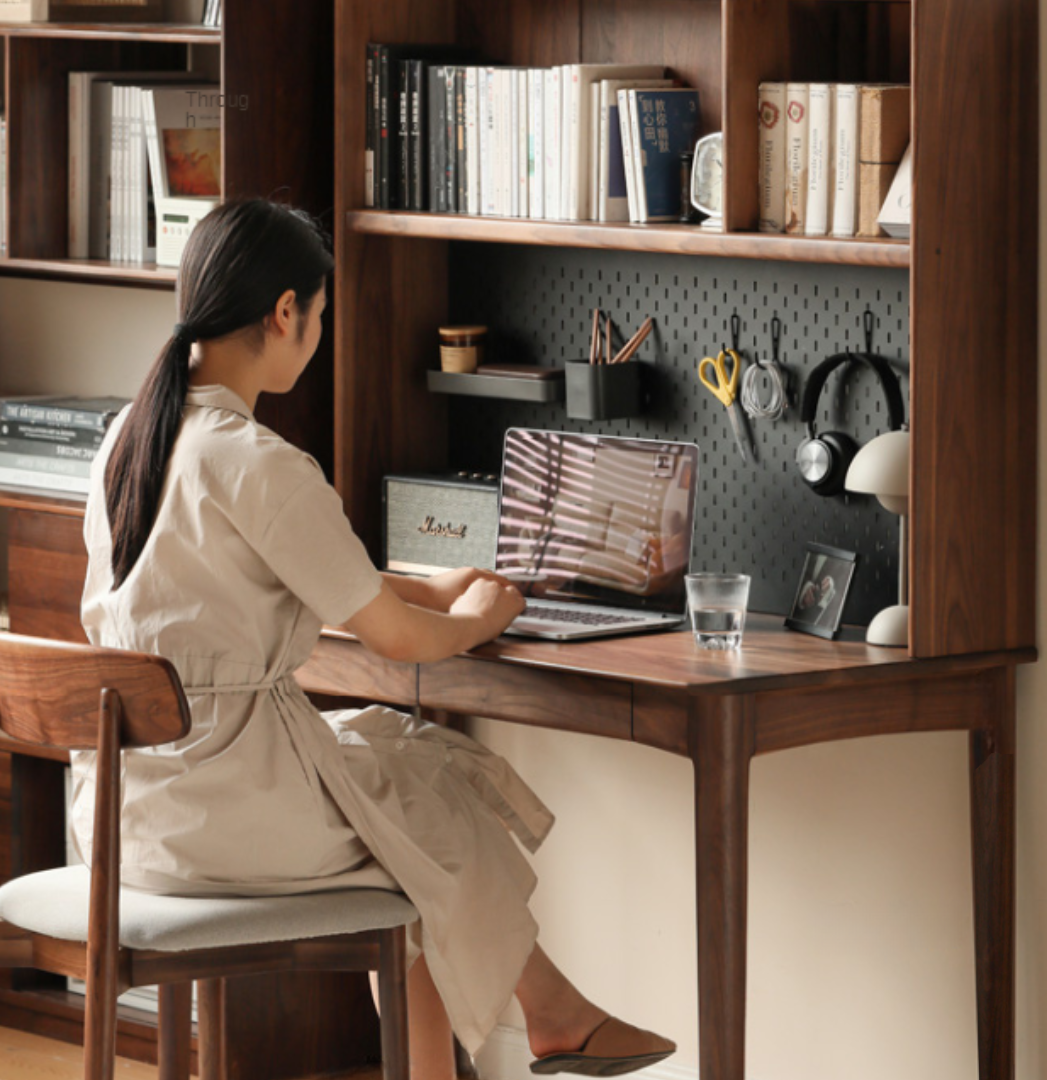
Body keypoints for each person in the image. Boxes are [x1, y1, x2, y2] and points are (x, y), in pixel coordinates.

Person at [70, 199, 675, 1080]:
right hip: (223, 812)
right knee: (422, 808)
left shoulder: (131, 439)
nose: (315, 335)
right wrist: (477, 620)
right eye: (318, 316)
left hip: (131, 807)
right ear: (285, 313)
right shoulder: (260, 462)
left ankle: (551, 1015)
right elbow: (395, 641)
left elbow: (310, 578)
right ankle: (552, 1013)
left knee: (411, 768)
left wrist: (435, 585)